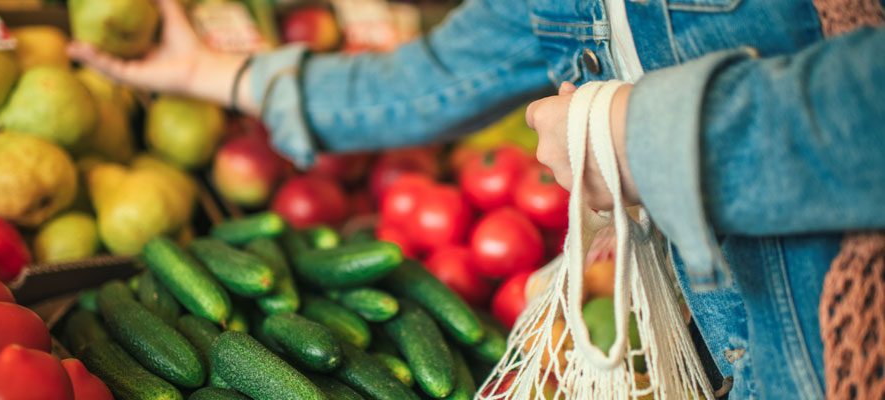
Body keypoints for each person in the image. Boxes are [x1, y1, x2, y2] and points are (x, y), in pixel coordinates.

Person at [71, 0, 885, 398]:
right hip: (730, 358)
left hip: (845, 344)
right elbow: (427, 79)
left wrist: (638, 136)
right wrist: (213, 75)